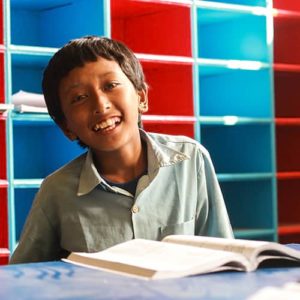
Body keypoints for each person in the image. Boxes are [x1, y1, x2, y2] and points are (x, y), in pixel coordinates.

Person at [10, 36, 233, 264]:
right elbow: (23, 277)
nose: (100, 105)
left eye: (110, 86)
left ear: (141, 97)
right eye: (79, 98)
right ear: (66, 127)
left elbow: (225, 258)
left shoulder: (190, 160)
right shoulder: (56, 191)